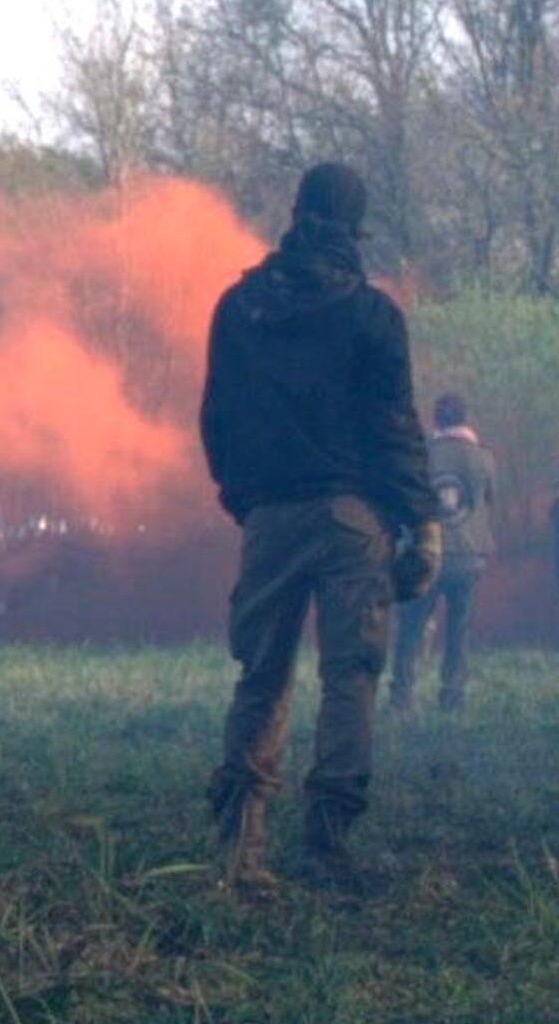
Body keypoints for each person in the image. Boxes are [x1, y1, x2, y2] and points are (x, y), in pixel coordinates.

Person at [200, 162, 440, 892]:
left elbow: (218, 420)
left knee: (261, 677)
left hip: (271, 515)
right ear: (356, 229)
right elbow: (395, 429)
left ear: (296, 211)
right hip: (352, 519)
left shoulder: (239, 309)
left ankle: (239, 850)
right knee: (351, 679)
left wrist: (248, 502)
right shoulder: (372, 315)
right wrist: (420, 524)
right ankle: (327, 849)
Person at [389, 393, 495, 713]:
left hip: (429, 552)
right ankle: (452, 698)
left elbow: (408, 500)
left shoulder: (423, 455)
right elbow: (487, 502)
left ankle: (402, 700)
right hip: (470, 557)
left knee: (411, 627)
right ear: (465, 418)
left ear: (436, 419)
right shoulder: (484, 457)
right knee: (458, 631)